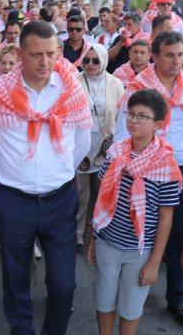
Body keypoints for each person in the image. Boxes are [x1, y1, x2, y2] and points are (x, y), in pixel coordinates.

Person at [0, 21, 92, 334]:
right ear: (19, 53)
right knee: (15, 278)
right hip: (15, 201)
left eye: (51, 54)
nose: (45, 62)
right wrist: (19, 172)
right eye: (37, 54)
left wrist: (55, 170)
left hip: (60, 199)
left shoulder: (71, 90)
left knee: (64, 283)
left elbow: (81, 142)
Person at [115, 31, 183, 327]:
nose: (176, 61)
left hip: (179, 172)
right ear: (155, 56)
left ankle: (177, 297)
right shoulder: (138, 87)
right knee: (137, 232)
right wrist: (124, 169)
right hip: (142, 170)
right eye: (169, 55)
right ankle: (132, 294)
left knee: (179, 235)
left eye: (181, 55)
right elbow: (123, 129)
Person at [89, 89, 182, 335]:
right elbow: (101, 199)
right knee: (104, 301)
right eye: (130, 114)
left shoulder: (165, 164)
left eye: (142, 116)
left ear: (158, 124)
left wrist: (154, 262)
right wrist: (92, 238)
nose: (134, 120)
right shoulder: (116, 152)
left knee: (131, 307)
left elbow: (165, 216)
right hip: (107, 242)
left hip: (139, 250)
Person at [75, 44, 124, 247]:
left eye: (96, 60)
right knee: (81, 193)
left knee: (100, 191)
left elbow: (121, 115)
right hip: (81, 144)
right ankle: (76, 233)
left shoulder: (115, 83)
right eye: (87, 60)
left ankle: (92, 230)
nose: (91, 64)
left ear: (104, 61)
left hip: (104, 145)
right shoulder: (75, 82)